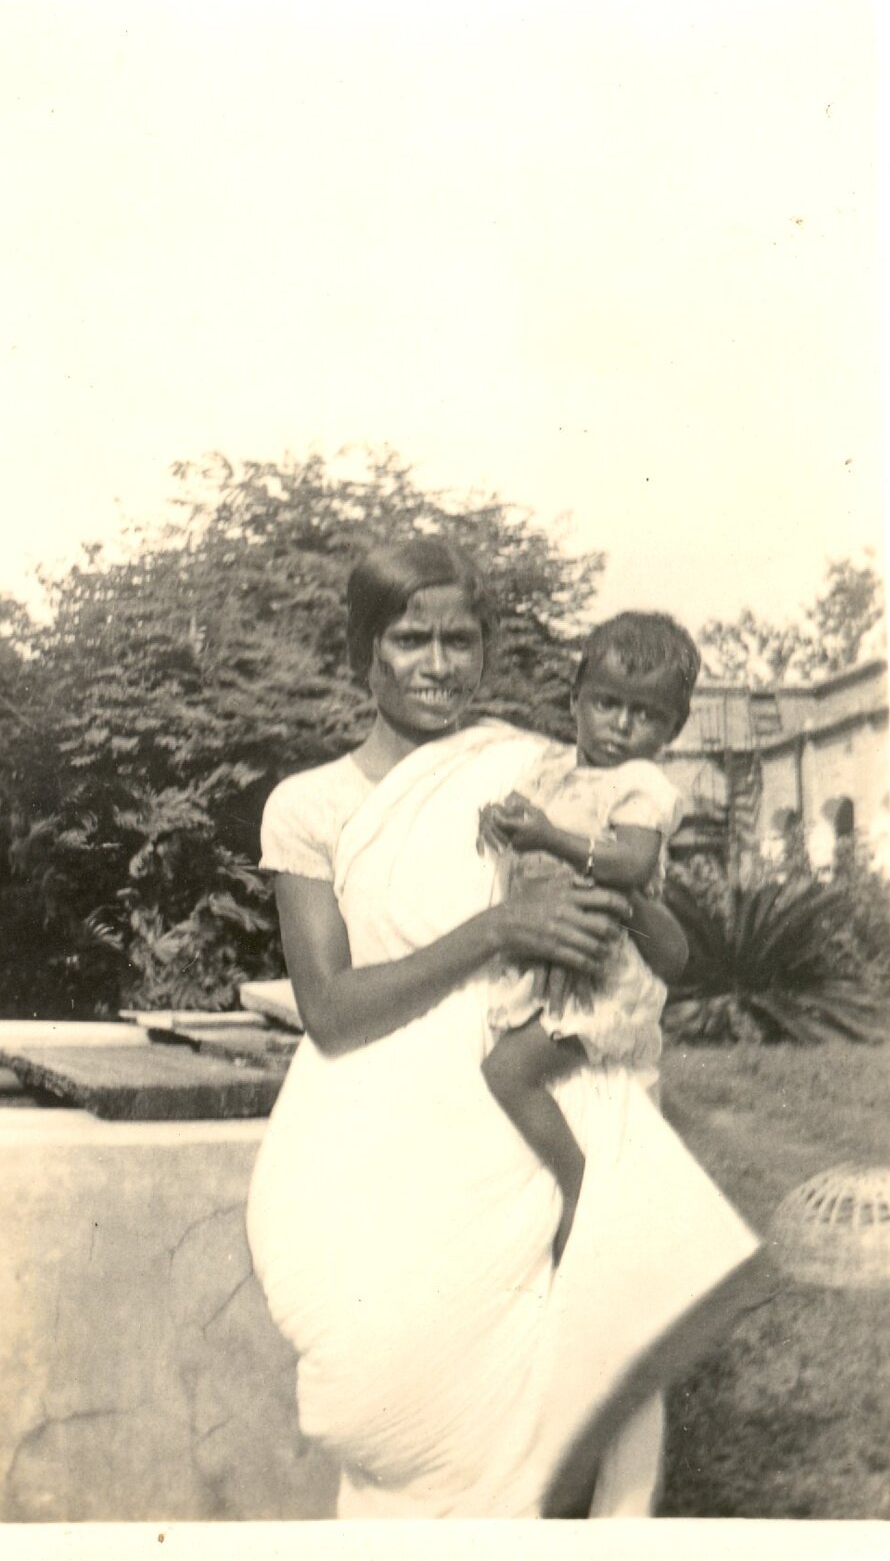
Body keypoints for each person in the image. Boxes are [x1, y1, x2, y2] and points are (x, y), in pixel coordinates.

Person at [245, 537, 758, 1519]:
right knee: (415, 1435)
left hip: (538, 1123)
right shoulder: (310, 806)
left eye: (461, 639)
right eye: (410, 639)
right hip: (399, 1151)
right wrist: (498, 926)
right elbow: (330, 1010)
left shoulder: (538, 770)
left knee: (563, 1436)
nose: (440, 662)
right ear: (364, 652)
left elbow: (643, 927)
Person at [478, 611, 698, 1266]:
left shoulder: (643, 785)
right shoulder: (550, 771)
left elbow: (630, 864)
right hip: (551, 966)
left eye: (645, 713)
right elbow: (522, 817)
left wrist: (546, 835)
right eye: (606, 703)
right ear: (574, 699)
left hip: (603, 979)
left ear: (672, 728)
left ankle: (578, 1178)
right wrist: (500, 819)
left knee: (506, 1071)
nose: (621, 725)